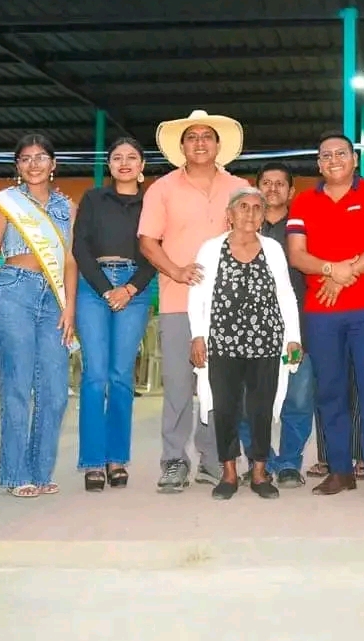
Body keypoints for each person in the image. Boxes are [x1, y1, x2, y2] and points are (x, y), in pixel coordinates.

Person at [138, 110, 250, 493]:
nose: (200, 142)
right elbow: (147, 241)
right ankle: (173, 460)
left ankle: (213, 458)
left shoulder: (239, 187)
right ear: (182, 146)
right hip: (177, 301)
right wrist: (176, 270)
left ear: (218, 145)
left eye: (207, 136)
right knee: (178, 385)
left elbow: (250, 239)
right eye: (192, 137)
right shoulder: (162, 189)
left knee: (221, 385)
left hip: (228, 305)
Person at [287, 131, 364, 504]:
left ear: (354, 159)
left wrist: (343, 273)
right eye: (326, 155)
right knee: (330, 391)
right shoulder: (304, 201)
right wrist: (331, 269)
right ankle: (340, 470)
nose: (333, 160)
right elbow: (297, 255)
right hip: (321, 313)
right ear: (318, 163)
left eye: (340, 153)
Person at [189, 188, 303, 500]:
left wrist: (293, 336)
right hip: (221, 342)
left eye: (256, 207)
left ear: (263, 215)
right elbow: (197, 296)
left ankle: (259, 472)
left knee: (261, 408)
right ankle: (228, 472)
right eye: (243, 206)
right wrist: (197, 335)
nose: (250, 213)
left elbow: (286, 295)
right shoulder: (210, 249)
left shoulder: (273, 249)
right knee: (225, 408)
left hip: (266, 341)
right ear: (230, 214)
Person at [0, 134, 77, 497]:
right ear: (17, 166)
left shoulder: (68, 207)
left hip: (54, 299)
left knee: (55, 390)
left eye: (41, 157)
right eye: (25, 158)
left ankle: (41, 471)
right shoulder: (5, 203)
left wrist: (70, 307)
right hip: (12, 292)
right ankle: (15, 473)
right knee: (18, 386)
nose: (33, 164)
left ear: (53, 164)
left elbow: (70, 260)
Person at [72, 137, 157, 491]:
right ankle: (93, 461)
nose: (124, 162)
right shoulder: (94, 198)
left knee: (121, 376)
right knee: (95, 375)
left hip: (135, 289)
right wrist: (107, 289)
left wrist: (130, 289)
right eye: (117, 157)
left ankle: (117, 458)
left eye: (132, 157)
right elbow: (80, 246)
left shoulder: (152, 202)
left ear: (142, 166)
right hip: (94, 287)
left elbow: (155, 250)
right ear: (109, 165)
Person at [236, 162, 316, 488]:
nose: (272, 189)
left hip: (298, 328)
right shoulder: (241, 230)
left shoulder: (303, 227)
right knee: (246, 404)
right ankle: (262, 462)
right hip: (248, 332)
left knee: (298, 401)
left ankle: (289, 464)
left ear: (291, 191)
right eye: (266, 183)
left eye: (279, 183)